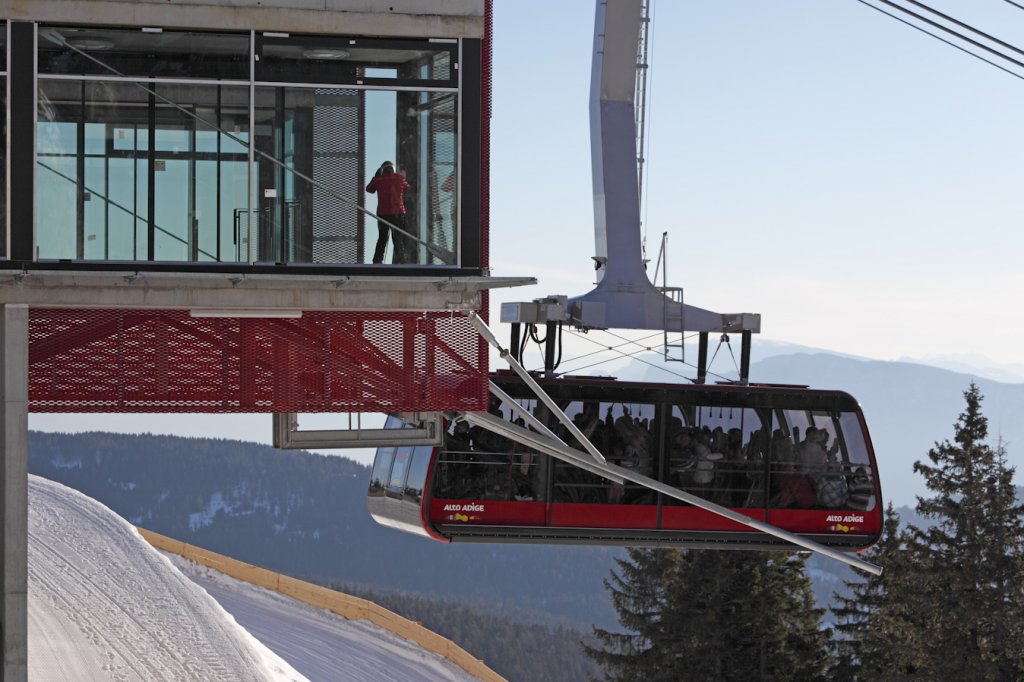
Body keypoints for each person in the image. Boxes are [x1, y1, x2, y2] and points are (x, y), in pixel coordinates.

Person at [365, 161, 411, 264]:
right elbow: (407, 187)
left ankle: (377, 260)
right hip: (398, 213)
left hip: (383, 214)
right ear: (393, 169)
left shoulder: (379, 179)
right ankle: (402, 261)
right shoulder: (399, 179)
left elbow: (369, 189)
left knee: (382, 238)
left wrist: (375, 176)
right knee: (398, 239)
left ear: (382, 170)